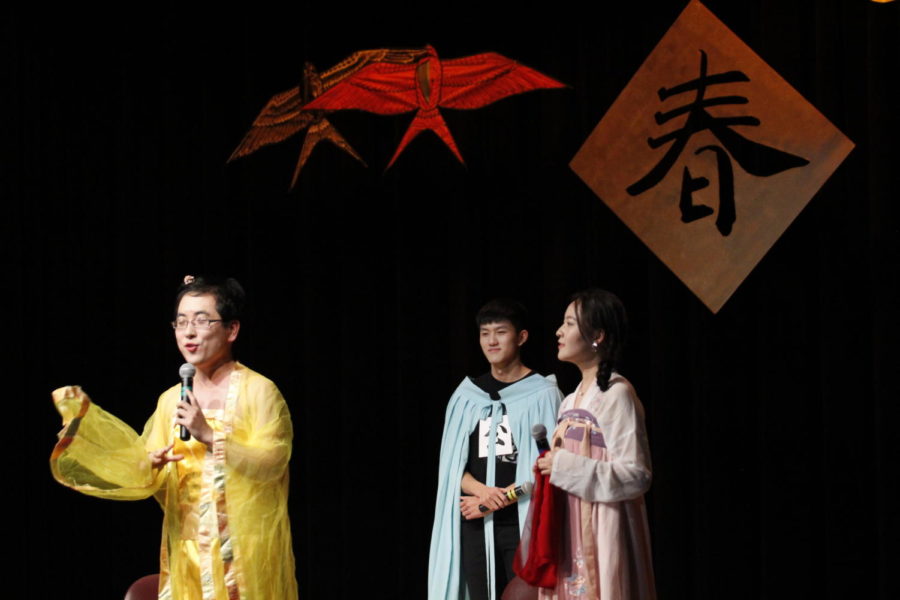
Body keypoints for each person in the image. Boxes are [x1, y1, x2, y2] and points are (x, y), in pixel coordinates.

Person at [50, 275, 298, 600]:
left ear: (231, 329)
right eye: (181, 323)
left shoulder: (259, 391)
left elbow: (272, 464)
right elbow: (154, 472)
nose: (189, 332)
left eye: (201, 320)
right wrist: (151, 465)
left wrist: (210, 436)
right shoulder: (172, 399)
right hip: (187, 551)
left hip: (243, 552)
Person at [429, 299, 562, 600]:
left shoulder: (543, 394)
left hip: (522, 524)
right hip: (474, 523)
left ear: (521, 337)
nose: (491, 341)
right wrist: (480, 492)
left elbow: (548, 468)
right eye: (484, 333)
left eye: (500, 332)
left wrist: (493, 501)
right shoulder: (468, 396)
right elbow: (452, 468)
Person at [535, 289, 656, 600]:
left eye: (570, 323)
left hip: (603, 531)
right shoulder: (570, 400)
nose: (559, 331)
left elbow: (637, 474)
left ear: (597, 335)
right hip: (568, 527)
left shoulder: (616, 394)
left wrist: (563, 466)